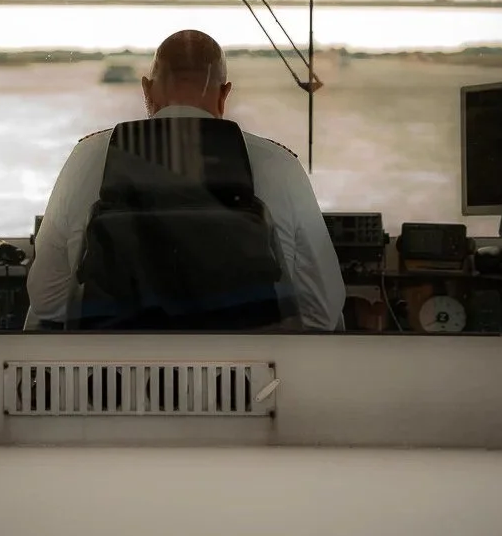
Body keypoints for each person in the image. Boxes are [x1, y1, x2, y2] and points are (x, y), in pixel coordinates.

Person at [25, 30, 345, 331]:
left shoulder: (87, 157)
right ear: (224, 94)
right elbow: (322, 312)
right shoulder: (279, 164)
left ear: (147, 90)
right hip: (248, 384)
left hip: (112, 382)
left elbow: (47, 303)